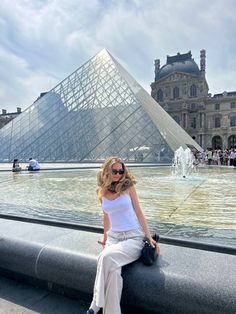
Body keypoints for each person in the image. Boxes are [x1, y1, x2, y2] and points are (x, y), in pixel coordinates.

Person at [85, 156, 160, 314]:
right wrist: (105, 239)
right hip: (114, 237)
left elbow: (139, 213)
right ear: (107, 171)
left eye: (121, 171)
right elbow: (106, 216)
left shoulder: (129, 187)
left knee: (105, 258)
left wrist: (148, 237)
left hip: (133, 237)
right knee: (113, 272)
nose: (118, 174)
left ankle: (95, 304)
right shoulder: (100, 191)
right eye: (115, 171)